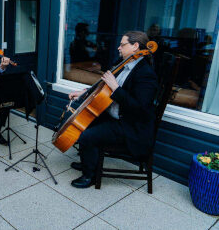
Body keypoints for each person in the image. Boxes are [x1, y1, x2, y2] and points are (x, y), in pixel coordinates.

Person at [68, 31, 158, 188]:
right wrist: (84, 93)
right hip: (114, 116)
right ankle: (88, 162)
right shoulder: (123, 63)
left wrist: (115, 87)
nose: (118, 48)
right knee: (83, 123)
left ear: (135, 46)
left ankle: (90, 176)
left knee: (88, 136)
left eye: (122, 45)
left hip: (129, 125)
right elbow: (103, 88)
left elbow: (139, 109)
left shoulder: (145, 74)